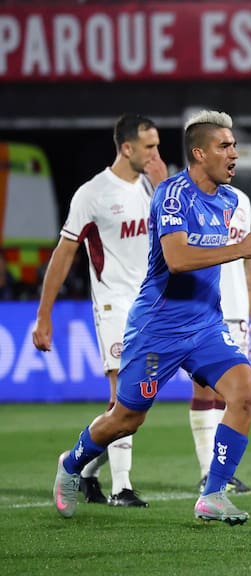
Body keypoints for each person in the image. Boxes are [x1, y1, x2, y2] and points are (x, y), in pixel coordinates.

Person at [51, 110, 251, 525]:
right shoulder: (172, 195)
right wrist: (239, 248)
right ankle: (71, 463)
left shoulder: (227, 200)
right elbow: (178, 258)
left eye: (234, 145)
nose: (235, 154)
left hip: (205, 325)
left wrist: (239, 256)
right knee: (126, 418)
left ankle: (213, 495)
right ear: (199, 153)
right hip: (158, 328)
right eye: (225, 146)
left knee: (244, 393)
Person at [33, 114, 167, 508]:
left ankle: (81, 468)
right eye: (150, 147)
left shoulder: (153, 186)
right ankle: (121, 487)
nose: (157, 154)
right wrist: (44, 314)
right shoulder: (92, 194)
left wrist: (161, 186)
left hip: (151, 308)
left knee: (133, 410)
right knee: (123, 399)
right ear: (127, 148)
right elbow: (64, 253)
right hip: (113, 305)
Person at [190, 185, 251, 494]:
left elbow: (247, 260)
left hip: (237, 310)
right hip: (202, 309)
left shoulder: (241, 199)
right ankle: (208, 470)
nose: (231, 154)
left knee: (233, 394)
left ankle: (219, 473)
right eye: (224, 145)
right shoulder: (187, 197)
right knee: (204, 391)